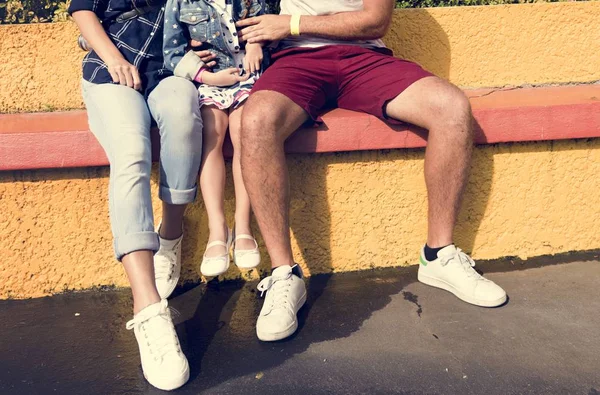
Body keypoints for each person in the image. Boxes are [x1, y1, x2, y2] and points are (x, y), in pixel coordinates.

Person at [236, 0, 508, 342]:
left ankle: (438, 256)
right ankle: (284, 274)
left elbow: (374, 22)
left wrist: (290, 24)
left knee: (451, 107)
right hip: (297, 60)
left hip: (364, 59)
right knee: (257, 121)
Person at [68, 0, 215, 389]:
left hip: (171, 69)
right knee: (132, 151)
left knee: (184, 115)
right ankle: (149, 308)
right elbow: (83, 9)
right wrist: (112, 56)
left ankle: (172, 235)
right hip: (113, 69)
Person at [163, 0, 266, 277]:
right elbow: (172, 53)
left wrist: (257, 43)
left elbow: (267, 19)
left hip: (247, 76)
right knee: (212, 133)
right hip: (211, 80)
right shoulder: (181, 2)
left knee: (245, 132)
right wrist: (207, 75)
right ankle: (217, 229)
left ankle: (243, 224)